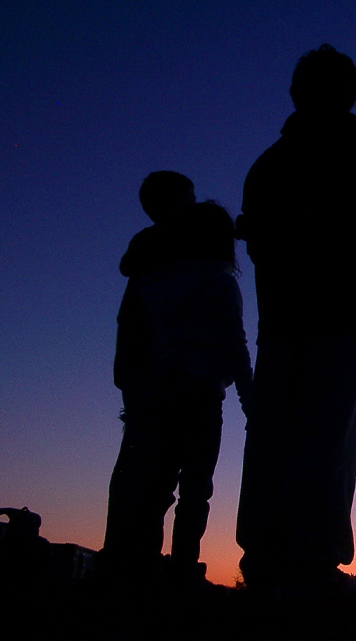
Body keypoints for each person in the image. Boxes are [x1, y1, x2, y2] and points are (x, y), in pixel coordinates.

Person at [235, 44, 356, 601]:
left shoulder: (268, 164)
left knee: (275, 441)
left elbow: (261, 244)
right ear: (350, 94)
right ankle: (308, 566)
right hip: (336, 321)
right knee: (325, 442)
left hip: (283, 323)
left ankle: (266, 560)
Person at [101, 172, 253, 590]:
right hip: (201, 394)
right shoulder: (219, 282)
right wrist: (249, 398)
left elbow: (137, 331)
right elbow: (234, 345)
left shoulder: (152, 281)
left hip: (158, 390)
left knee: (154, 485)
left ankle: (141, 569)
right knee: (195, 489)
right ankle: (183, 568)